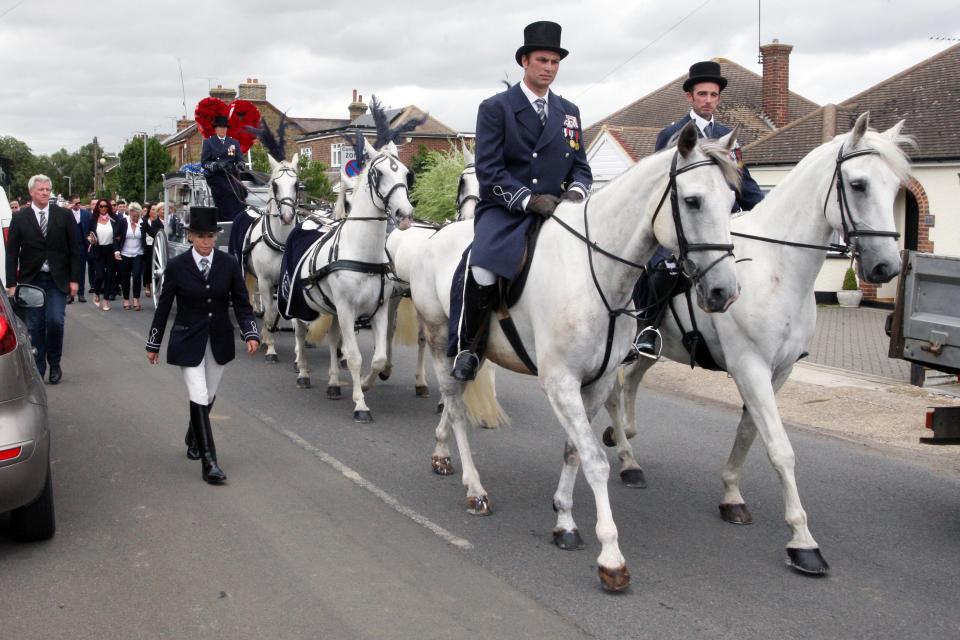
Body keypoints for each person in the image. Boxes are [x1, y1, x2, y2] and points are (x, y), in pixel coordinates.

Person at [448, 20, 592, 381]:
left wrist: (574, 193)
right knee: (481, 267)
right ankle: (471, 346)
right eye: (542, 60)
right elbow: (490, 171)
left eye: (555, 62)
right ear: (524, 62)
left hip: (560, 210)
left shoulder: (568, 112)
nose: (549, 68)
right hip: (507, 210)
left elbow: (581, 168)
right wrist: (528, 200)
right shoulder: (496, 108)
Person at [632, 60, 765, 357]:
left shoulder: (728, 137)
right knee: (663, 268)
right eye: (702, 94)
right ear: (689, 97)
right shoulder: (672, 135)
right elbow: (662, 187)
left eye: (713, 95)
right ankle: (648, 329)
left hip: (720, 224)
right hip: (684, 225)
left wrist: (768, 214)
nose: (708, 100)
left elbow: (743, 182)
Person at [145, 206, 260, 485]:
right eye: (201, 236)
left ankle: (193, 434)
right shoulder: (177, 266)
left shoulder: (229, 264)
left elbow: (242, 304)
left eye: (211, 236)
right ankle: (210, 462)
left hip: (219, 338)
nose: (207, 242)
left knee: (208, 397)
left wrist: (250, 332)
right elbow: (163, 308)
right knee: (198, 392)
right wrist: (154, 342)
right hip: (187, 339)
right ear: (191, 237)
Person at [4, 175, 81, 384]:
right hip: (32, 280)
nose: (45, 192)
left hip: (57, 280)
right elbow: (11, 253)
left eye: (48, 189)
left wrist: (75, 279)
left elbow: (75, 249)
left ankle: (55, 362)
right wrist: (12, 283)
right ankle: (39, 366)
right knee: (35, 325)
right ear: (31, 192)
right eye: (41, 189)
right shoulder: (20, 218)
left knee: (55, 321)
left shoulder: (63, 215)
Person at [201, 115, 247, 222]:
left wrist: (241, 164)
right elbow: (204, 162)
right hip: (216, 175)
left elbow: (240, 159)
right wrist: (215, 165)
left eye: (224, 127)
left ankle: (239, 216)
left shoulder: (234, 143)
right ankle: (226, 217)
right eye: (220, 127)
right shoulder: (209, 142)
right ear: (216, 129)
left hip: (231, 174)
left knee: (241, 191)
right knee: (227, 191)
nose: (222, 129)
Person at [115, 201, 146, 310]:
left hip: (138, 253)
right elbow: (116, 237)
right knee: (125, 277)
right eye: (133, 215)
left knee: (137, 275)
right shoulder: (123, 222)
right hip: (125, 253)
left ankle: (136, 299)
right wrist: (116, 251)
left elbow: (152, 233)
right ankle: (126, 299)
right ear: (130, 212)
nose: (135, 217)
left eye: (137, 215)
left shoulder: (143, 222)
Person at [89, 199, 118, 311]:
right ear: (98, 207)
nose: (103, 208)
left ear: (108, 207)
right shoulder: (93, 219)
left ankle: (105, 301)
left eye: (105, 206)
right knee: (100, 274)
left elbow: (118, 233)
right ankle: (96, 292)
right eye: (101, 206)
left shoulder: (114, 219)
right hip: (98, 250)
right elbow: (88, 233)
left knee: (109, 276)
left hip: (110, 250)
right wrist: (90, 238)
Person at [68, 196, 92, 303]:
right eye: (75, 203)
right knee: (70, 271)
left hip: (82, 245)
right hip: (69, 246)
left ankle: (81, 294)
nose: (78, 205)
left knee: (82, 270)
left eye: (79, 203)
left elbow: (91, 228)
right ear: (71, 204)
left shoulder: (86, 214)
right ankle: (70, 295)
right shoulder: (66, 214)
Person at [142, 202, 164, 298]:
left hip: (158, 246)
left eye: (156, 209)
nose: (154, 211)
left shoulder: (160, 221)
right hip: (148, 246)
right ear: (149, 211)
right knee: (148, 266)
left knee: (157, 267)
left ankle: (157, 285)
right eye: (153, 209)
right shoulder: (144, 221)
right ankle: (147, 285)